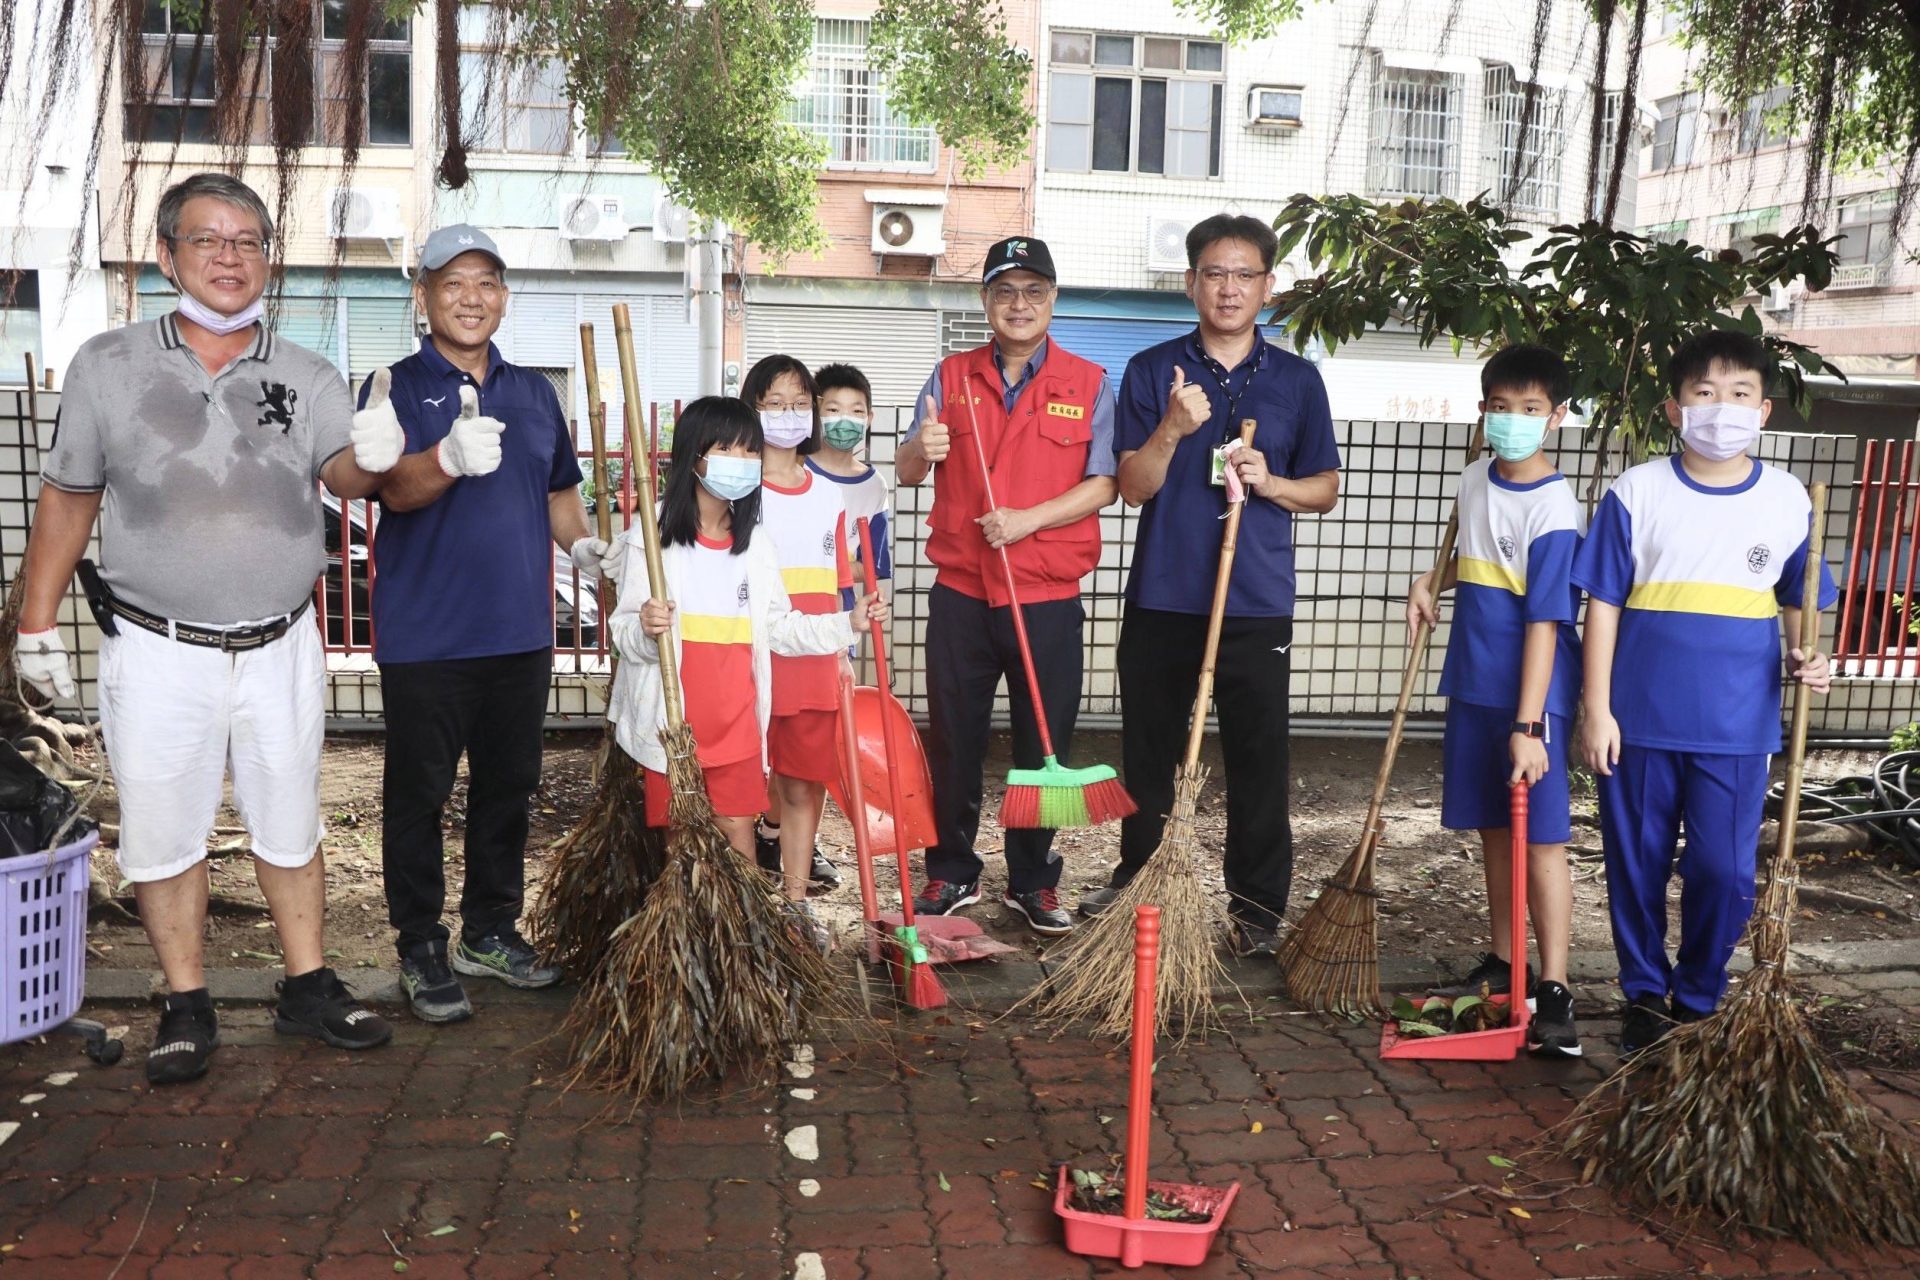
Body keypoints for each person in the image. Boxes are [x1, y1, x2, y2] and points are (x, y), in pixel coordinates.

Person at [16, 172, 395, 1085]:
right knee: (162, 828)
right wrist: (35, 626)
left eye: (249, 241)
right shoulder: (108, 366)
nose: (230, 257)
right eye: (208, 239)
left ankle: (307, 987)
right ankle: (186, 1003)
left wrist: (381, 456)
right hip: (157, 647)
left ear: (270, 258)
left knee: (290, 821)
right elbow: (68, 500)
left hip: (280, 644)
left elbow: (348, 477)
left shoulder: (306, 374)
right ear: (165, 254)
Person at [355, 224, 623, 1024]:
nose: (471, 298)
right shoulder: (394, 386)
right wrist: (441, 457)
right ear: (425, 296)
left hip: (520, 634)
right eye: (453, 283)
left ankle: (489, 931)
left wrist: (585, 547)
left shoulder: (535, 392)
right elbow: (390, 492)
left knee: (509, 789)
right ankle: (419, 945)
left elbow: (557, 496)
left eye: (487, 283)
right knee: (419, 795)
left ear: (504, 297)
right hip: (428, 636)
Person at [1574, 329, 1836, 1056]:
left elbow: (1800, 604)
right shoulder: (1638, 491)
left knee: (1723, 870)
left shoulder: (1787, 499)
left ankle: (1697, 997)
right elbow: (1602, 604)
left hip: (1738, 725)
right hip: (1638, 721)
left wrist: (1808, 657)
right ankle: (1643, 995)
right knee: (1636, 867)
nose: (1723, 409)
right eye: (1705, 394)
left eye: (1740, 395)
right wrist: (1596, 708)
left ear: (1765, 411)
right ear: (1674, 408)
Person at [1091, 213, 1341, 956]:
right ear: (1192, 282)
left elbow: (1326, 488)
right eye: (1214, 273)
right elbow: (1132, 487)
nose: (1229, 288)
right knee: (1150, 750)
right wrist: (1171, 427)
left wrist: (1274, 483)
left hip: (1255, 600)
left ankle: (1257, 907)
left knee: (1260, 757)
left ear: (1268, 285)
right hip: (1165, 595)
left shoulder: (1298, 379)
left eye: (1244, 274)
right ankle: (1142, 878)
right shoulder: (1151, 369)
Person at [895, 237, 1119, 936]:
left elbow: (1104, 484)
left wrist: (1027, 521)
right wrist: (918, 450)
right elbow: (906, 471)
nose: (1018, 304)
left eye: (1033, 291)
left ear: (1053, 299)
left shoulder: (1088, 383)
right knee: (954, 741)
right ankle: (951, 870)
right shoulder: (950, 377)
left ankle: (1033, 878)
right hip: (962, 594)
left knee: (1041, 746)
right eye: (1004, 291)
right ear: (986, 301)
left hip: (1046, 597)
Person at [606, 397, 887, 950]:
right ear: (695, 458)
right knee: (683, 844)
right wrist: (644, 626)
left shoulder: (754, 542)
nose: (741, 460)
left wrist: (845, 623)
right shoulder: (654, 538)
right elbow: (624, 635)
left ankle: (739, 949)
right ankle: (686, 947)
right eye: (726, 448)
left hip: (737, 724)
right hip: (674, 730)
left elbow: (779, 628)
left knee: (739, 835)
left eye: (750, 450)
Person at [1405, 345, 1585, 1057]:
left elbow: (1545, 620)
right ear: (1483, 412)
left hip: (1529, 697)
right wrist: (1431, 580)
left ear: (1558, 417)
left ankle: (1557, 986)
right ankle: (1506, 962)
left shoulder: (1556, 507)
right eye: (1502, 408)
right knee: (1492, 828)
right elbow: (1473, 559)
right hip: (1474, 680)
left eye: (1532, 410)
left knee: (1542, 841)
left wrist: (1529, 724)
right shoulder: (1475, 476)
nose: (1515, 421)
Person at [743, 355, 852, 897]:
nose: (789, 415)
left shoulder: (829, 494)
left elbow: (835, 583)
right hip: (749, 659)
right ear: (752, 409)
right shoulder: (737, 488)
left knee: (804, 784)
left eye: (800, 404)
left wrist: (842, 655)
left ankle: (794, 899)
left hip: (812, 663)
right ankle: (740, 893)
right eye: (775, 404)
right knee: (745, 783)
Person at [808, 363, 893, 642]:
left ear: (869, 418)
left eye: (856, 411)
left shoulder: (874, 485)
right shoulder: (794, 472)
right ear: (815, 413)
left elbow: (873, 565)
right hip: (787, 608)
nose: (845, 419)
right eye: (833, 410)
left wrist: (818, 571)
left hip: (841, 615)